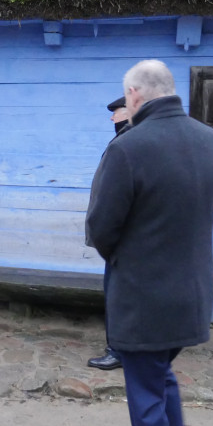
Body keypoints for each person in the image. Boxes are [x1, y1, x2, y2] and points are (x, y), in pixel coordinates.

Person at [85, 60, 213, 426]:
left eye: (126, 98)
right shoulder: (212, 141)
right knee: (161, 382)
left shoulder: (129, 149)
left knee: (145, 399)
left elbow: (101, 229)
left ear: (135, 95)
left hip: (145, 298)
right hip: (193, 294)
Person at [87, 94, 130, 372]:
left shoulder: (128, 143)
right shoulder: (126, 139)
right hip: (122, 238)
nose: (111, 118)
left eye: (116, 112)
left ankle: (118, 351)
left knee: (118, 294)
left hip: (124, 240)